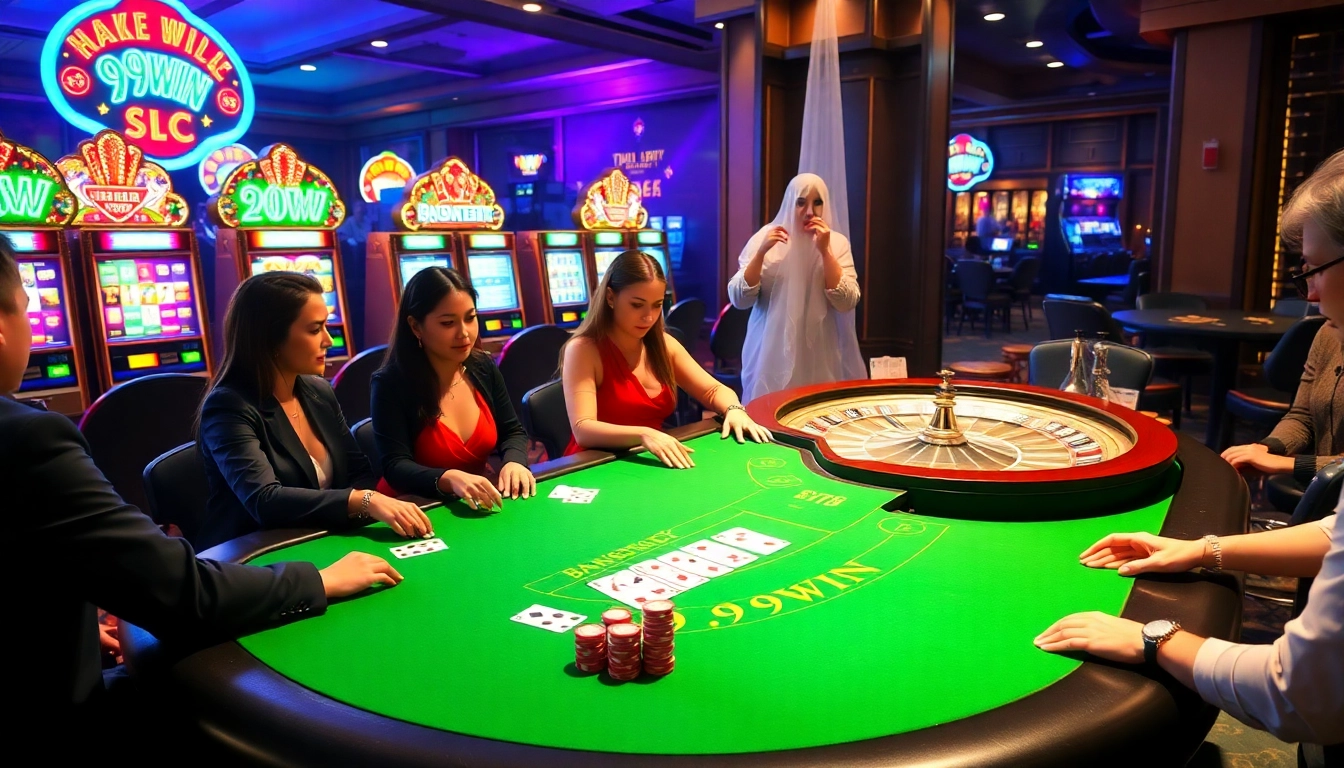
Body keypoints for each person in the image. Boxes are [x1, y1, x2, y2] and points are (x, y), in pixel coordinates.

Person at [0, 235, 403, 746]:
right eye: (27, 310)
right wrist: (320, 580)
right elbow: (183, 590)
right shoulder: (29, 437)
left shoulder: (317, 391)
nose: (328, 340)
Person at [1036, 150, 1344, 752]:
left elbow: (1299, 697)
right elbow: (1339, 532)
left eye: (1312, 270)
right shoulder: (1330, 335)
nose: (1309, 297)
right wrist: (1203, 548)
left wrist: (1154, 637)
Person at [197, 272, 433, 550]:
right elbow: (265, 501)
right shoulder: (228, 407)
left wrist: (356, 509)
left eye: (326, 327)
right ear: (270, 338)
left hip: (325, 537)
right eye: (314, 329)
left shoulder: (318, 391)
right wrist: (363, 501)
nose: (329, 340)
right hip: (256, 556)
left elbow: (360, 472)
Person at [562, 250, 773, 468]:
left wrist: (734, 409)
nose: (649, 317)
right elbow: (583, 429)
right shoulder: (583, 349)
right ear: (610, 297)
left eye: (656, 305)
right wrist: (644, 434)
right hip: (595, 462)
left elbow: (712, 390)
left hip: (650, 455)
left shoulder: (663, 344)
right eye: (637, 304)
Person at [371, 267, 535, 510]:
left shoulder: (483, 367)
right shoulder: (390, 383)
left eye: (470, 318)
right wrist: (448, 478)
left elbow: (512, 431)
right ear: (416, 326)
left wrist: (515, 462)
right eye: (448, 323)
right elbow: (395, 466)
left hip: (475, 500)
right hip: (412, 506)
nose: (464, 333)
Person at [727, 173, 865, 403]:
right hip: (768, 349)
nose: (809, 211)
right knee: (766, 413)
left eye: (817, 203)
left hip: (819, 350)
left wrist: (825, 251)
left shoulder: (837, 243)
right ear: (790, 202)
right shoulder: (766, 237)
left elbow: (847, 301)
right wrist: (761, 252)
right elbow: (739, 299)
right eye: (801, 202)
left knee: (814, 413)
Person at [1220, 322, 1342, 484]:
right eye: (1303, 293)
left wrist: (1291, 464)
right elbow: (1303, 416)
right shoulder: (1327, 332)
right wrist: (1268, 447)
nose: (1312, 297)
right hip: (1323, 492)